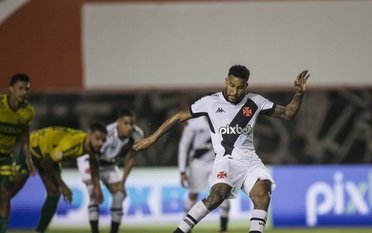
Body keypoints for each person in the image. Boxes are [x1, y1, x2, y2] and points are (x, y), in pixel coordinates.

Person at [134, 65, 310, 233]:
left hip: (250, 162)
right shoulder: (210, 102)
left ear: (246, 86)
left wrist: (299, 94)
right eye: (232, 85)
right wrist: (151, 139)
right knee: (218, 195)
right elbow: (179, 117)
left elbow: (288, 113)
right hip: (226, 160)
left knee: (263, 193)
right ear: (226, 81)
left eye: (240, 88)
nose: (234, 91)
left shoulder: (256, 101)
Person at [12, 124, 107, 233]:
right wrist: (63, 186)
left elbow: (93, 162)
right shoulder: (71, 145)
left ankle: (39, 231)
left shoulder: (91, 147)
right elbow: (46, 163)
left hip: (47, 152)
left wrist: (98, 187)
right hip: (33, 147)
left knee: (54, 192)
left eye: (103, 140)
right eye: (98, 139)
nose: (100, 143)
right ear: (89, 135)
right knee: (12, 190)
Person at [76, 108, 144, 233]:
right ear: (118, 122)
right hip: (89, 160)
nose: (129, 127)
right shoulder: (106, 134)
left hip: (109, 164)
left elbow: (131, 160)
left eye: (132, 124)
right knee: (93, 193)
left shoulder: (137, 135)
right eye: (126, 123)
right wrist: (97, 186)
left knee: (119, 195)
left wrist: (122, 183)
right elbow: (93, 158)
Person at [178, 116, 230, 233]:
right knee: (193, 194)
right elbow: (184, 145)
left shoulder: (224, 120)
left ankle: (223, 229)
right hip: (198, 163)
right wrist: (182, 170)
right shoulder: (194, 123)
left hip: (217, 163)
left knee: (222, 193)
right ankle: (185, 229)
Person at [0, 73, 35, 233]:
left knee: (5, 193)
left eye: (26, 89)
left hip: (6, 157)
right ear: (11, 89)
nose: (24, 92)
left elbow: (24, 135)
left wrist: (28, 157)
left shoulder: (28, 112)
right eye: (20, 88)